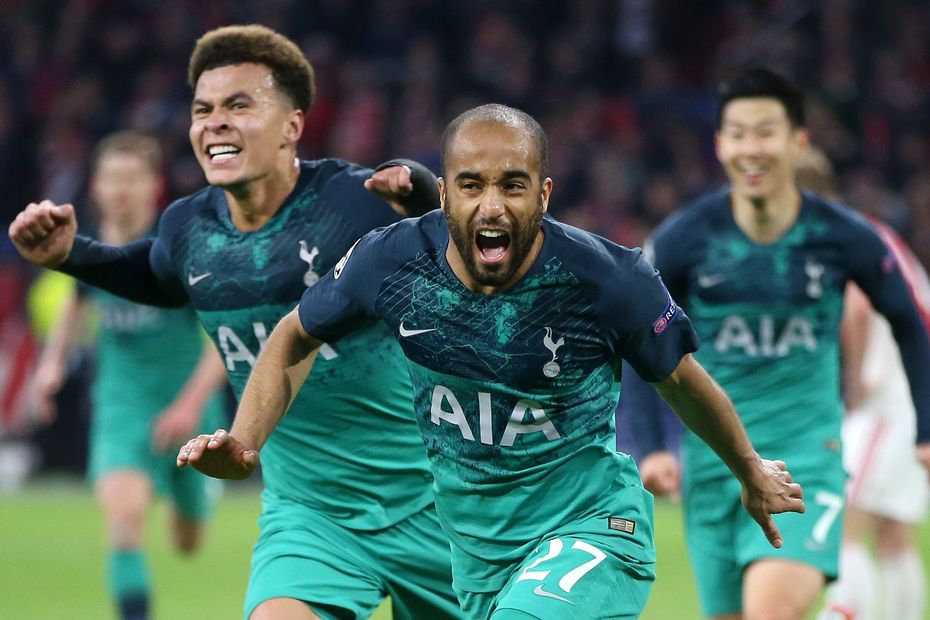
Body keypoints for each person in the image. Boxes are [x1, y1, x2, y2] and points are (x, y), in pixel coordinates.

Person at [178, 103, 806, 620]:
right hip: (477, 562)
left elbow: (683, 382)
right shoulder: (392, 262)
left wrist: (749, 470)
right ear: (444, 193)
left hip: (591, 529)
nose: (493, 206)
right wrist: (246, 439)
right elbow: (294, 334)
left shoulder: (608, 278)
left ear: (544, 193)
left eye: (513, 184)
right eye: (472, 185)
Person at [9, 25, 461, 620]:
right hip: (311, 516)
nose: (215, 123)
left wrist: (423, 196)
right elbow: (156, 276)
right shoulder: (188, 227)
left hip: (434, 504)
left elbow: (460, 252)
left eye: (238, 106)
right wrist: (72, 254)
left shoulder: (354, 201)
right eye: (203, 110)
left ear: (292, 126)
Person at [624, 68, 930, 620]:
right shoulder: (684, 239)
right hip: (715, 465)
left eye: (766, 132)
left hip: (805, 458)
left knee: (770, 613)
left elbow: (909, 320)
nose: (752, 148)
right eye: (738, 134)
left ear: (799, 142)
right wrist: (650, 446)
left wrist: (927, 426)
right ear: (720, 145)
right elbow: (638, 337)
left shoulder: (842, 236)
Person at [29, 131, 228, 620]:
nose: (121, 189)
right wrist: (50, 367)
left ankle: (189, 502)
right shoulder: (88, 250)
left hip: (188, 406)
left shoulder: (176, 252)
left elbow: (225, 341)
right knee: (124, 523)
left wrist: (188, 406)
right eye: (112, 178)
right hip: (122, 404)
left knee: (188, 541)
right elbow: (75, 304)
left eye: (132, 178)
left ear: (153, 186)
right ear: (96, 186)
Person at [794, 151, 930, 620]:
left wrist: (853, 391)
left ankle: (846, 611)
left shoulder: (836, 236)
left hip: (889, 397)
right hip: (911, 391)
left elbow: (855, 309)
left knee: (843, 518)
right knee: (893, 532)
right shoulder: (871, 231)